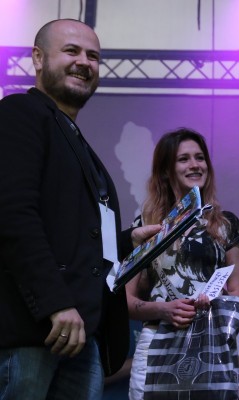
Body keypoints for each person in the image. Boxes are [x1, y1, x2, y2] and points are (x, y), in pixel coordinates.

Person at [0, 19, 160, 399]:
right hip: (35, 331)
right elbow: (12, 214)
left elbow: (74, 236)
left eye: (93, 56)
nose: (84, 62)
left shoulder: (74, 139)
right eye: (71, 51)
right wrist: (55, 303)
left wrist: (128, 241)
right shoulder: (20, 112)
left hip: (84, 334)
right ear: (38, 58)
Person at [125, 128, 239, 399]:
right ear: (166, 170)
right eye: (184, 159)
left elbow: (238, 295)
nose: (195, 165)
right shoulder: (146, 225)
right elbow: (127, 301)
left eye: (200, 157)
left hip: (210, 343)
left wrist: (215, 305)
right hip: (157, 341)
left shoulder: (226, 224)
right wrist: (163, 309)